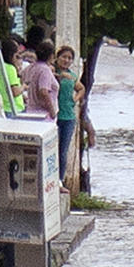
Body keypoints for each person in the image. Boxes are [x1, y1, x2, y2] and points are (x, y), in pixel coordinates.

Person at [54, 45, 84, 186]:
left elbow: (81, 88)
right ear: (57, 57)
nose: (66, 60)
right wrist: (60, 76)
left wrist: (75, 99)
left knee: (63, 150)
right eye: (64, 57)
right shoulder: (52, 71)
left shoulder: (72, 75)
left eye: (69, 58)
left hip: (68, 117)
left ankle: (60, 179)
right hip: (54, 116)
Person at [22, 39, 59, 121]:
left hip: (31, 111)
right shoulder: (45, 70)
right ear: (51, 56)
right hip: (43, 114)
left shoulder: (31, 67)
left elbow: (22, 78)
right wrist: (52, 110)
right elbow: (43, 91)